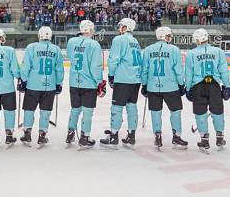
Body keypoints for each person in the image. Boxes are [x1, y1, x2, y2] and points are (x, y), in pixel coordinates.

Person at [140, 26, 187, 149]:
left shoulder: (148, 50)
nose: (170, 37)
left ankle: (157, 136)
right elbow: (178, 70)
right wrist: (181, 84)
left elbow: (144, 69)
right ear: (164, 36)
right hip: (171, 86)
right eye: (169, 35)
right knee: (175, 112)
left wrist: (144, 84)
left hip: (152, 87)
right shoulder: (174, 50)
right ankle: (176, 136)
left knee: (156, 112)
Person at [185, 28, 230, 152]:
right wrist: (227, 86)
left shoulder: (192, 53)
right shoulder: (218, 51)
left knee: (200, 113)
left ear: (197, 40)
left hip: (198, 87)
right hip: (214, 86)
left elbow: (188, 74)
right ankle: (220, 137)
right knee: (217, 112)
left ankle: (204, 139)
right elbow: (224, 71)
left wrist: (188, 88)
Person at [100, 17, 142, 147]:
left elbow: (113, 60)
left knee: (117, 108)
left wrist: (111, 76)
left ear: (125, 27)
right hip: (135, 80)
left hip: (123, 79)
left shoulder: (119, 40)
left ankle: (113, 135)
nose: (119, 28)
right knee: (131, 107)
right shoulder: (135, 41)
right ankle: (131, 135)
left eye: (121, 26)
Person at [19, 26, 64, 147]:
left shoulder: (31, 47)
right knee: (45, 111)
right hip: (49, 87)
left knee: (29, 110)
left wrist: (23, 81)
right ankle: (42, 135)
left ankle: (27, 133)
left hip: (33, 85)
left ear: (39, 35)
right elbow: (59, 69)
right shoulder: (56, 49)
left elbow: (25, 66)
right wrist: (59, 83)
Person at [66, 19, 105, 148]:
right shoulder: (94, 45)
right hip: (88, 84)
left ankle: (70, 134)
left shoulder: (71, 42)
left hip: (74, 82)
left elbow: (71, 57)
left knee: (75, 109)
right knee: (87, 112)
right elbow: (96, 66)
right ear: (91, 30)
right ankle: (84, 137)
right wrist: (99, 82)